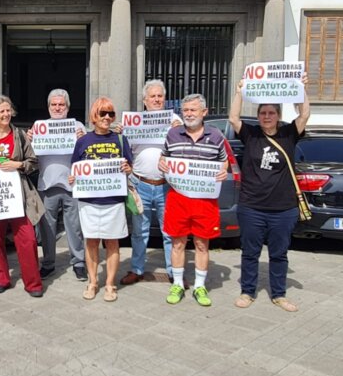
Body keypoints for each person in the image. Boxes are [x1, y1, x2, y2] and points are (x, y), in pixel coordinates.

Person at [228, 74, 310, 312]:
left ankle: (279, 294)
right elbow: (233, 118)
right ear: (258, 116)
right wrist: (239, 91)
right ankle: (247, 291)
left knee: (279, 254)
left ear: (278, 116)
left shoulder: (288, 134)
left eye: (271, 113)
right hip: (252, 206)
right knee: (250, 253)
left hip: (283, 209)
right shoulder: (251, 134)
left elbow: (304, 114)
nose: (266, 117)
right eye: (263, 113)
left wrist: (302, 89)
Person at [158, 93, 228, 307]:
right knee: (177, 243)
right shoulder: (172, 134)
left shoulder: (216, 136)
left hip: (204, 200)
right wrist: (162, 164)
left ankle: (199, 286)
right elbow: (163, 157)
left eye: (193, 110)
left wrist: (223, 172)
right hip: (178, 198)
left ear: (204, 112)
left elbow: (224, 163)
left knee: (201, 244)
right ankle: (177, 283)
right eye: (185, 110)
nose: (188, 114)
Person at [0, 95, 44, 297]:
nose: (6, 114)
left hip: (18, 196)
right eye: (1, 111)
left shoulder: (20, 135)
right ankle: (1, 279)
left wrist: (19, 165)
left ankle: (33, 284)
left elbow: (33, 161)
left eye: (8, 110)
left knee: (27, 239)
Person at [70, 97, 133, 303]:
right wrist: (73, 178)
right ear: (94, 117)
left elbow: (129, 168)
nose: (107, 118)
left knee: (112, 242)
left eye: (111, 114)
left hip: (113, 200)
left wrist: (127, 169)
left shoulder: (120, 140)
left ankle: (110, 284)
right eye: (102, 113)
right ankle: (92, 282)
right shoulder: (83, 141)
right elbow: (75, 169)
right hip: (89, 201)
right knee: (91, 242)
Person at [120, 79, 181, 286]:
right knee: (139, 232)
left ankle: (174, 272)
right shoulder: (135, 121)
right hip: (140, 184)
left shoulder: (174, 120)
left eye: (159, 96)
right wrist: (122, 132)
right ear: (144, 101)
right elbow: (126, 152)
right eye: (152, 96)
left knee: (169, 231)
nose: (156, 99)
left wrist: (178, 130)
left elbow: (183, 146)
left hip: (166, 185)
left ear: (165, 99)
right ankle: (137, 269)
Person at [27, 89, 87, 281]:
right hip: (47, 183)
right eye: (54, 104)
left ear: (67, 107)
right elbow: (31, 156)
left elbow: (88, 155)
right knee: (47, 228)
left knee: (75, 227)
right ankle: (48, 264)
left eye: (61, 104)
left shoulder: (78, 126)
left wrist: (82, 141)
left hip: (73, 184)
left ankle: (78, 262)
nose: (57, 108)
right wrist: (29, 140)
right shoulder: (39, 127)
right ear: (48, 107)